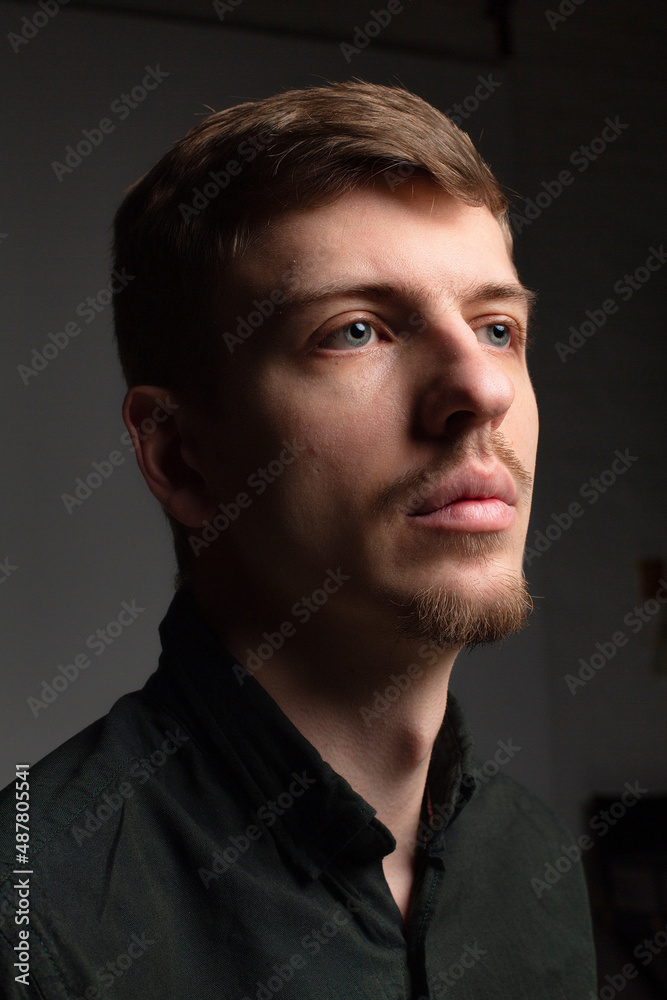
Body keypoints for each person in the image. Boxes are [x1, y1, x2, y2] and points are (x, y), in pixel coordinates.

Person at [0, 79, 596, 998]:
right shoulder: (36, 918)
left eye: (496, 327)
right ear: (182, 457)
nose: (482, 389)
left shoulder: (531, 863)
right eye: (355, 330)